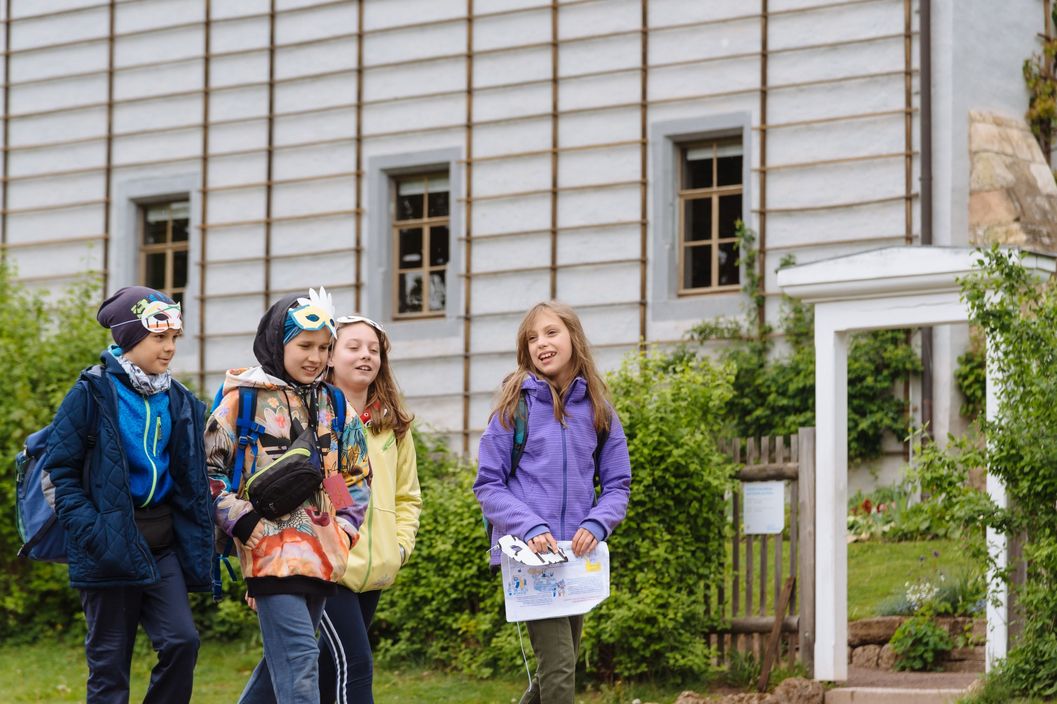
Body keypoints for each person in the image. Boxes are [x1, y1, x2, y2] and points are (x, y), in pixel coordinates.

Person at [45, 286, 214, 704]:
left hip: (162, 547)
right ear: (128, 337)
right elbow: (58, 473)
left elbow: (193, 478)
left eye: (174, 338)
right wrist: (95, 532)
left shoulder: (179, 400)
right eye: (159, 338)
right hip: (108, 545)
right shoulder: (90, 393)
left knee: (182, 642)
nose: (170, 348)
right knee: (109, 670)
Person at [205, 288, 372, 704]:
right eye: (304, 346)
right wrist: (246, 524)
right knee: (300, 664)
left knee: (283, 665)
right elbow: (205, 474)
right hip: (267, 554)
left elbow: (349, 474)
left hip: (323, 555)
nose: (315, 357)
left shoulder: (334, 404)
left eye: (323, 347)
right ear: (278, 343)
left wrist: (346, 526)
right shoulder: (240, 401)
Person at [473, 301, 632, 704]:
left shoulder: (599, 411)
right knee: (560, 668)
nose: (541, 343)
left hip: (576, 559)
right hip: (530, 558)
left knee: (556, 671)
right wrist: (530, 527)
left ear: (573, 338)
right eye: (531, 338)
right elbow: (489, 485)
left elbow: (617, 485)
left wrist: (596, 524)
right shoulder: (514, 408)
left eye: (550, 333)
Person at [317, 314, 422, 704]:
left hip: (376, 569)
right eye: (354, 347)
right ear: (330, 356)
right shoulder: (318, 419)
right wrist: (344, 539)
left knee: (326, 669)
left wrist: (399, 547)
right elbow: (331, 484)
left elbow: (407, 495)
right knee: (356, 665)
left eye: (374, 350)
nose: (366, 356)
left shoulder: (392, 425)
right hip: (330, 567)